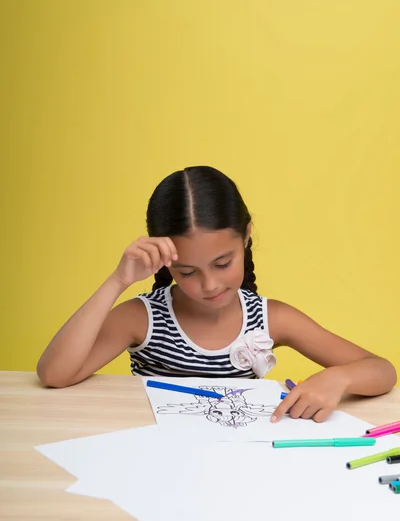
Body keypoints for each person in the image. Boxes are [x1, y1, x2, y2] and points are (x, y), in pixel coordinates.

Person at [37, 166, 397, 423]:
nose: (209, 285)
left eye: (223, 263)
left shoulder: (272, 318)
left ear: (246, 238)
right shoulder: (141, 318)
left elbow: (381, 370)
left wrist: (338, 378)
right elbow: (55, 374)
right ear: (166, 261)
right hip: (157, 461)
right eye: (187, 272)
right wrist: (117, 281)